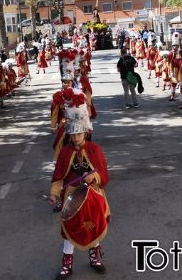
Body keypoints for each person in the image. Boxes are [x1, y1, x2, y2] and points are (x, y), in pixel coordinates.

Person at [47, 99, 109, 278]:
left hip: (92, 195)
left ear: (85, 133)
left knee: (93, 225)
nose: (75, 138)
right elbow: (58, 177)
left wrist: (93, 177)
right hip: (72, 195)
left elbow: (103, 174)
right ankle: (67, 265)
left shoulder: (94, 149)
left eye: (78, 134)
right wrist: (54, 194)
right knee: (70, 229)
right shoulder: (65, 152)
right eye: (72, 135)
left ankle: (95, 258)